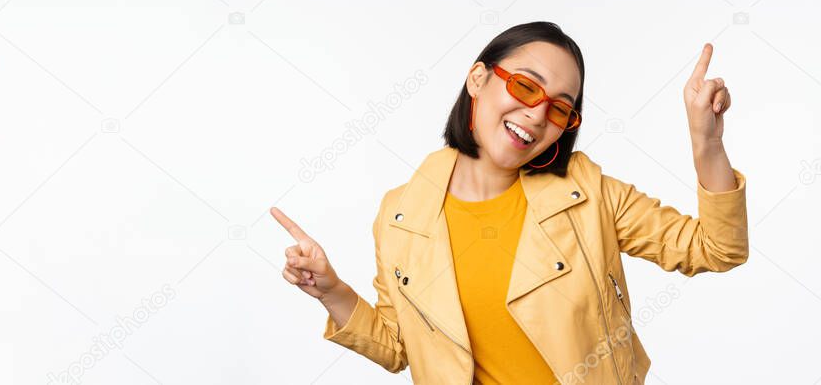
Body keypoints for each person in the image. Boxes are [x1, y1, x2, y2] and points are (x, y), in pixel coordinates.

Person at [271, 21, 747, 384]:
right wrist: (331, 290)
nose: (537, 114)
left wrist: (706, 142)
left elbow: (717, 248)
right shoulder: (400, 215)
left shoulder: (589, 193)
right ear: (477, 79)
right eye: (525, 85)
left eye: (560, 107)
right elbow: (399, 347)